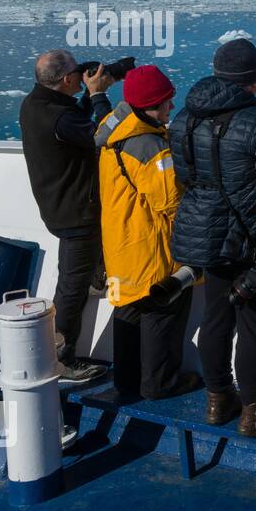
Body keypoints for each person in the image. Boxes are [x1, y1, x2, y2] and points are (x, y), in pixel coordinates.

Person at [169, 38, 256, 437]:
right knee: (255, 327)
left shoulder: (183, 119)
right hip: (254, 239)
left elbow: (186, 179)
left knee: (215, 318)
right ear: (254, 80)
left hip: (208, 239)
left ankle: (217, 401)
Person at [96, 65, 203, 402]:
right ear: (149, 106)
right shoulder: (149, 147)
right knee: (162, 310)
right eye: (166, 103)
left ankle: (127, 381)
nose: (171, 108)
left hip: (122, 241)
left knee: (128, 310)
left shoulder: (115, 131)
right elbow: (171, 201)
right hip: (150, 246)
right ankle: (160, 383)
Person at [19, 49, 114, 385]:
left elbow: (76, 126)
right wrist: (99, 95)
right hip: (77, 214)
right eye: (77, 72)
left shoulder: (36, 104)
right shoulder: (59, 116)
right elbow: (105, 135)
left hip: (60, 206)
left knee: (75, 279)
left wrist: (89, 96)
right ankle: (60, 360)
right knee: (71, 288)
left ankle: (96, 273)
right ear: (66, 80)